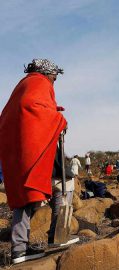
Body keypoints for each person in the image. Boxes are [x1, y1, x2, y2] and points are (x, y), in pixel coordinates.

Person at [0, 59, 67, 264]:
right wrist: (59, 120)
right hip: (30, 147)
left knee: (26, 197)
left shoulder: (24, 84)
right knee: (30, 195)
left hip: (17, 149)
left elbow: (26, 107)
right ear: (46, 73)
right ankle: (30, 246)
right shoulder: (38, 83)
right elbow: (33, 107)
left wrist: (53, 110)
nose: (54, 82)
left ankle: (20, 248)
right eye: (54, 77)